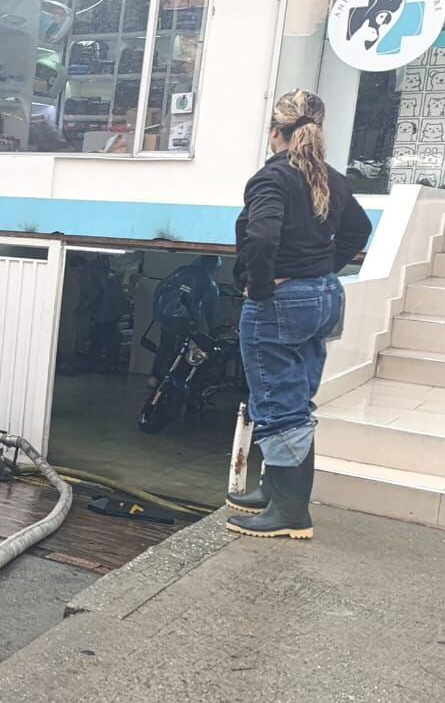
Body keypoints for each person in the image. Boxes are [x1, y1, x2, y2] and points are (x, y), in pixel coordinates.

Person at [225, 90, 372, 539]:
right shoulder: (330, 178)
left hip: (283, 303)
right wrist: (322, 268)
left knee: (275, 403)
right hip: (324, 297)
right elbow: (360, 230)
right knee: (295, 398)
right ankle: (274, 491)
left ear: (276, 132)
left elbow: (263, 237)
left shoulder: (273, 178)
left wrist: (263, 285)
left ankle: (290, 513)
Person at [148, 255, 222, 387]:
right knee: (184, 350)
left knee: (166, 346)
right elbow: (212, 309)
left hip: (166, 316)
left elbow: (160, 289)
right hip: (185, 319)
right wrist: (215, 330)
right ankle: (174, 380)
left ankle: (156, 376)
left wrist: (159, 312)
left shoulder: (181, 271)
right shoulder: (207, 281)